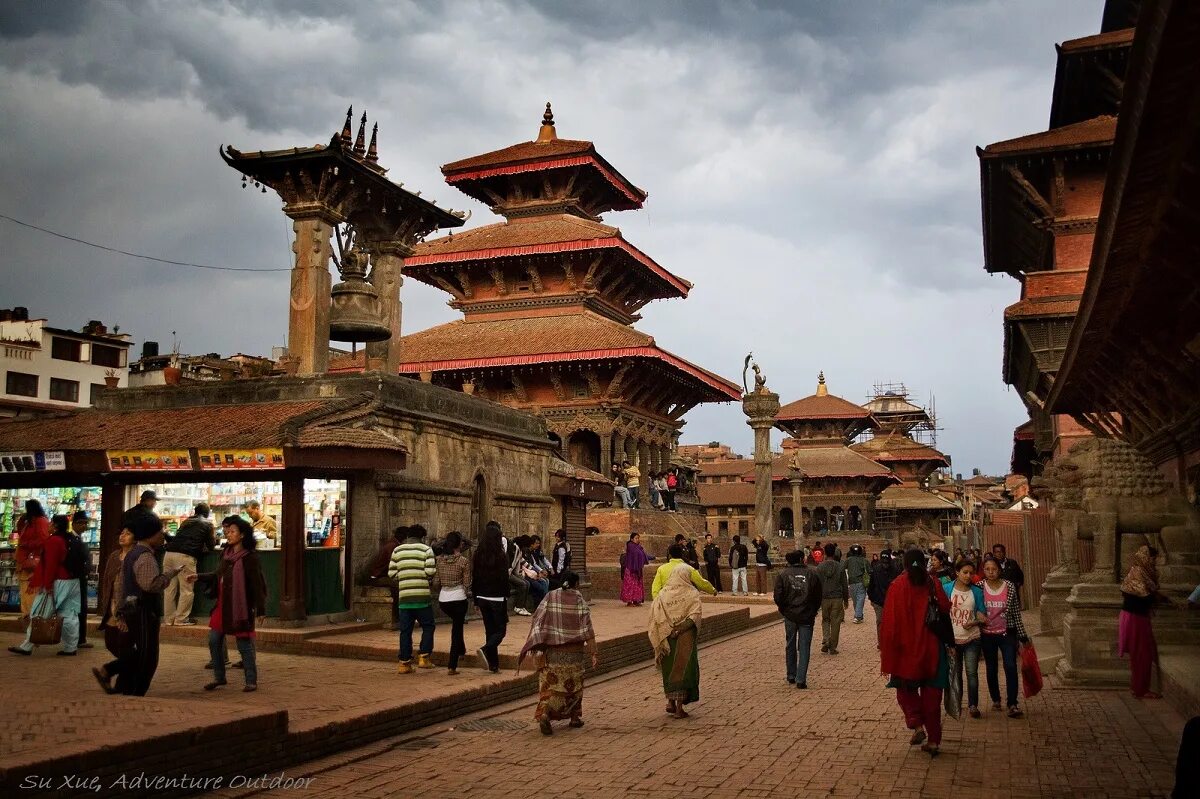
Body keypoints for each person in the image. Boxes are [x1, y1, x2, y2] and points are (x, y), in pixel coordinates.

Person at [880, 549, 951, 756]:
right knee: (932, 695)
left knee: (905, 690)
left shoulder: (897, 586)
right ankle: (934, 740)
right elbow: (945, 608)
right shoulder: (932, 583)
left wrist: (887, 649)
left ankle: (917, 724)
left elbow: (889, 624)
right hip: (932, 647)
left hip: (905, 649)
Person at [189, 516, 267, 692]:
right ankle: (219, 677)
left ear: (242, 535)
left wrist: (261, 609)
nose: (228, 534)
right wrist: (199, 577)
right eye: (227, 532)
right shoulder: (226, 553)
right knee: (214, 640)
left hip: (240, 607)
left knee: (244, 644)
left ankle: (251, 680)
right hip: (223, 606)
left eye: (232, 532)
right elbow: (218, 574)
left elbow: (257, 584)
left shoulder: (250, 557)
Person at [519, 571, 598, 735]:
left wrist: (539, 643)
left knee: (550, 686)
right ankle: (574, 718)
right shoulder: (578, 599)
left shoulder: (549, 596)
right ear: (576, 584)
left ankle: (546, 713)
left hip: (553, 652)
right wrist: (593, 652)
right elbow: (587, 628)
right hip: (574, 652)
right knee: (574, 687)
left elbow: (537, 619)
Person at [115, 513, 184, 696]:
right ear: (150, 535)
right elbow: (150, 584)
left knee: (134, 653)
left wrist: (120, 611)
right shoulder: (145, 556)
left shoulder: (131, 554)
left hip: (131, 610)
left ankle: (125, 689)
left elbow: (121, 584)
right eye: (159, 532)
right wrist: (169, 575)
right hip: (142, 611)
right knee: (147, 655)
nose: (162, 536)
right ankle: (135, 693)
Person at [8, 514, 87, 656]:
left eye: (51, 523)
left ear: (55, 525)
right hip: (73, 581)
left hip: (58, 581)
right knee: (69, 614)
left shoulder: (53, 541)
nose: (48, 525)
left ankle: (27, 645)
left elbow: (50, 565)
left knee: (39, 612)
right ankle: (71, 647)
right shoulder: (71, 539)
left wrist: (47, 584)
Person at [648, 561, 712, 719]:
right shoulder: (692, 594)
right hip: (684, 637)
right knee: (683, 670)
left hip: (667, 637)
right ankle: (678, 709)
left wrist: (669, 629)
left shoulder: (663, 594)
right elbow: (694, 616)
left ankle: (670, 701)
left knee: (669, 670)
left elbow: (655, 615)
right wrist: (680, 629)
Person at [979, 555, 1030, 717]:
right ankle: (995, 698)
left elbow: (1015, 612)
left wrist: (1023, 636)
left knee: (1010, 665)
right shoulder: (979, 587)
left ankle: (1012, 703)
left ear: (999, 570)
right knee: (991, 667)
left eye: (994, 569)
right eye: (987, 569)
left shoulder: (1009, 586)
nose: (991, 572)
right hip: (987, 635)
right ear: (983, 571)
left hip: (1007, 632)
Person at [1118, 544, 1168, 699]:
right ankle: (1141, 690)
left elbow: (1150, 592)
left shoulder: (1142, 572)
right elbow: (1145, 595)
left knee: (1142, 654)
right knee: (1142, 654)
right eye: (1152, 557)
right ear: (1146, 557)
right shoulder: (1138, 572)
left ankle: (1138, 687)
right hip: (1135, 618)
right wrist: (1159, 597)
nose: (1154, 561)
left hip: (1137, 616)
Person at [388, 525, 437, 674]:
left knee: (405, 631)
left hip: (404, 598)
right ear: (422, 536)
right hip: (422, 597)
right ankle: (424, 657)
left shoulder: (397, 550)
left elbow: (392, 573)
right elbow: (430, 572)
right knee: (428, 626)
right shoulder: (426, 550)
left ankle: (404, 663)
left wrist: (404, 578)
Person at [92, 526, 135, 693]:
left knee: (128, 652)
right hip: (112, 608)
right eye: (122, 533)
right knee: (114, 646)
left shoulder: (136, 557)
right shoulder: (113, 556)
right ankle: (110, 673)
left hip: (127, 610)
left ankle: (111, 674)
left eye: (128, 533)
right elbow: (106, 582)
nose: (123, 536)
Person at [773, 549, 823, 689]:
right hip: (807, 615)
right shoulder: (812, 573)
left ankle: (791, 674)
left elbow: (778, 596)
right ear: (802, 559)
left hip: (790, 614)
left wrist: (784, 609)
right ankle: (801, 678)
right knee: (804, 647)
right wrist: (813, 610)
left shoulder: (783, 574)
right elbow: (818, 595)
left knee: (790, 644)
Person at [945, 558, 987, 719]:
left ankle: (973, 705)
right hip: (953, 639)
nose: (968, 576)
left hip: (972, 638)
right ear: (957, 572)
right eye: (965, 572)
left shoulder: (976, 592)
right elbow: (942, 613)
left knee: (972, 673)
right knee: (956, 673)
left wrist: (974, 622)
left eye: (971, 573)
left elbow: (983, 615)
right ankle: (956, 704)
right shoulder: (947, 589)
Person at [163, 502, 216, 626]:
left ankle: (169, 620)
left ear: (195, 511)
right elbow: (211, 546)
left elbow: (177, 538)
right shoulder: (208, 524)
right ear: (207, 513)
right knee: (186, 589)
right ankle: (181, 619)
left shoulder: (186, 521)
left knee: (169, 589)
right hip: (185, 556)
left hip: (169, 554)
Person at [472, 521, 510, 673]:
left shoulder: (478, 555)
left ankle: (493, 665)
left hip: (482, 597)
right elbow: (504, 579)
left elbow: (475, 577)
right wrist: (506, 596)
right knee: (500, 630)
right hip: (497, 598)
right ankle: (486, 649)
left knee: (490, 630)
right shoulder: (501, 556)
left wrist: (475, 599)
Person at [435, 531, 472, 675]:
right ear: (459, 544)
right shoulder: (463, 561)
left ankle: (461, 650)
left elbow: (436, 582)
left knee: (458, 626)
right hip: (459, 598)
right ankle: (452, 664)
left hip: (444, 599)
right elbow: (467, 582)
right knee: (456, 630)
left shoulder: (439, 560)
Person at [364, 527, 405, 629]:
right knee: (398, 586)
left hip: (382, 574)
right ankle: (397, 617)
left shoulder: (393, 544)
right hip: (377, 577)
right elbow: (393, 564)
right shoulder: (392, 546)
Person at [14, 499, 49, 618]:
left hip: (31, 561)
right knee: (25, 590)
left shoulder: (40, 521)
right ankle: (27, 613)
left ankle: (31, 614)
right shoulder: (30, 522)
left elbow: (43, 540)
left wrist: (27, 544)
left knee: (30, 590)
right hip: (24, 561)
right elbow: (20, 532)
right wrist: (22, 520)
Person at [816, 543, 849, 654]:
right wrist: (846, 599)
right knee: (835, 622)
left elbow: (817, 584)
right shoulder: (840, 566)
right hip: (837, 598)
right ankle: (833, 646)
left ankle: (826, 640)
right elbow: (844, 584)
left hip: (824, 598)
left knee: (825, 620)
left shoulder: (820, 567)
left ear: (824, 552)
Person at [652, 544, 716, 598]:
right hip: (684, 600)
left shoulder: (662, 569)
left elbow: (655, 587)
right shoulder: (688, 568)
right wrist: (712, 590)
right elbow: (701, 582)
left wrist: (657, 599)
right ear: (681, 555)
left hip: (667, 600)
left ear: (670, 555)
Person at [69, 511, 94, 648]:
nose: (84, 526)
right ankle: (77, 639)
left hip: (80, 578)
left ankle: (80, 638)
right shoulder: (71, 540)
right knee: (77, 609)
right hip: (75, 579)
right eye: (81, 523)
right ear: (74, 524)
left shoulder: (78, 539)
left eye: (85, 523)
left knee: (81, 608)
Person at [868, 550, 897, 637]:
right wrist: (872, 599)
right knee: (880, 622)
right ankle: (881, 642)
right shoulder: (876, 569)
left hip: (891, 601)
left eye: (887, 562)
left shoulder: (895, 570)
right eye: (884, 562)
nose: (885, 565)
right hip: (879, 601)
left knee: (891, 622)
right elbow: (871, 586)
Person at [620, 532, 651, 606]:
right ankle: (629, 601)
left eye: (638, 538)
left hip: (637, 569)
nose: (637, 540)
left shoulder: (638, 547)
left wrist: (651, 557)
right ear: (631, 539)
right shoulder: (631, 546)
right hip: (631, 569)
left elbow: (643, 555)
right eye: (636, 538)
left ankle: (636, 600)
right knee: (630, 586)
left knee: (637, 586)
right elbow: (637, 554)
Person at [506, 535, 533, 616]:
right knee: (523, 584)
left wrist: (533, 570)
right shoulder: (514, 548)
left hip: (513, 572)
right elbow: (512, 562)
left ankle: (522, 606)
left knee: (527, 583)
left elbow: (521, 560)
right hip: (508, 573)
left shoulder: (519, 550)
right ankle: (518, 606)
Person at [524, 535, 552, 606]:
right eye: (536, 543)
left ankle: (544, 603)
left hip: (533, 573)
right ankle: (543, 604)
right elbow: (528, 567)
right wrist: (538, 573)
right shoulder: (525, 553)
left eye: (539, 543)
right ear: (531, 544)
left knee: (545, 581)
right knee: (542, 584)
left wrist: (541, 571)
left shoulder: (532, 553)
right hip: (528, 575)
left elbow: (534, 564)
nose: (538, 545)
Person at [845, 544, 869, 624]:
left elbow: (843, 567)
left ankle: (858, 616)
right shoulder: (864, 560)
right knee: (860, 599)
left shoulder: (848, 560)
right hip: (861, 582)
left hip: (851, 582)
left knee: (855, 600)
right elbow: (869, 570)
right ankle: (859, 615)